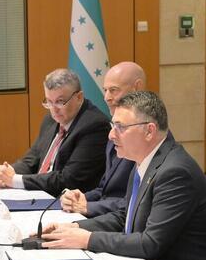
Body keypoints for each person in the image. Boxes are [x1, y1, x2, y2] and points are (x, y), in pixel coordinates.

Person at [41, 91, 206, 260]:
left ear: (149, 131)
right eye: (113, 125)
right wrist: (75, 228)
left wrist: (87, 239)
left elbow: (150, 243)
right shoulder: (144, 161)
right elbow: (125, 216)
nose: (111, 135)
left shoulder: (175, 173)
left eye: (120, 127)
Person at [0, 68, 110, 196]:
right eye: (49, 101)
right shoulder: (51, 120)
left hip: (66, 201)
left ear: (79, 97)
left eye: (60, 102)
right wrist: (7, 172)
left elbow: (68, 180)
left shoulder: (94, 126)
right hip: (40, 193)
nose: (53, 109)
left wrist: (15, 180)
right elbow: (32, 159)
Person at [60, 62, 145, 217]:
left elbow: (134, 201)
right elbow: (105, 189)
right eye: (105, 90)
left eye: (113, 90)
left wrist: (88, 207)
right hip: (108, 215)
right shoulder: (114, 133)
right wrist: (79, 198)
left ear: (137, 88)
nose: (106, 98)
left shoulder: (144, 136)